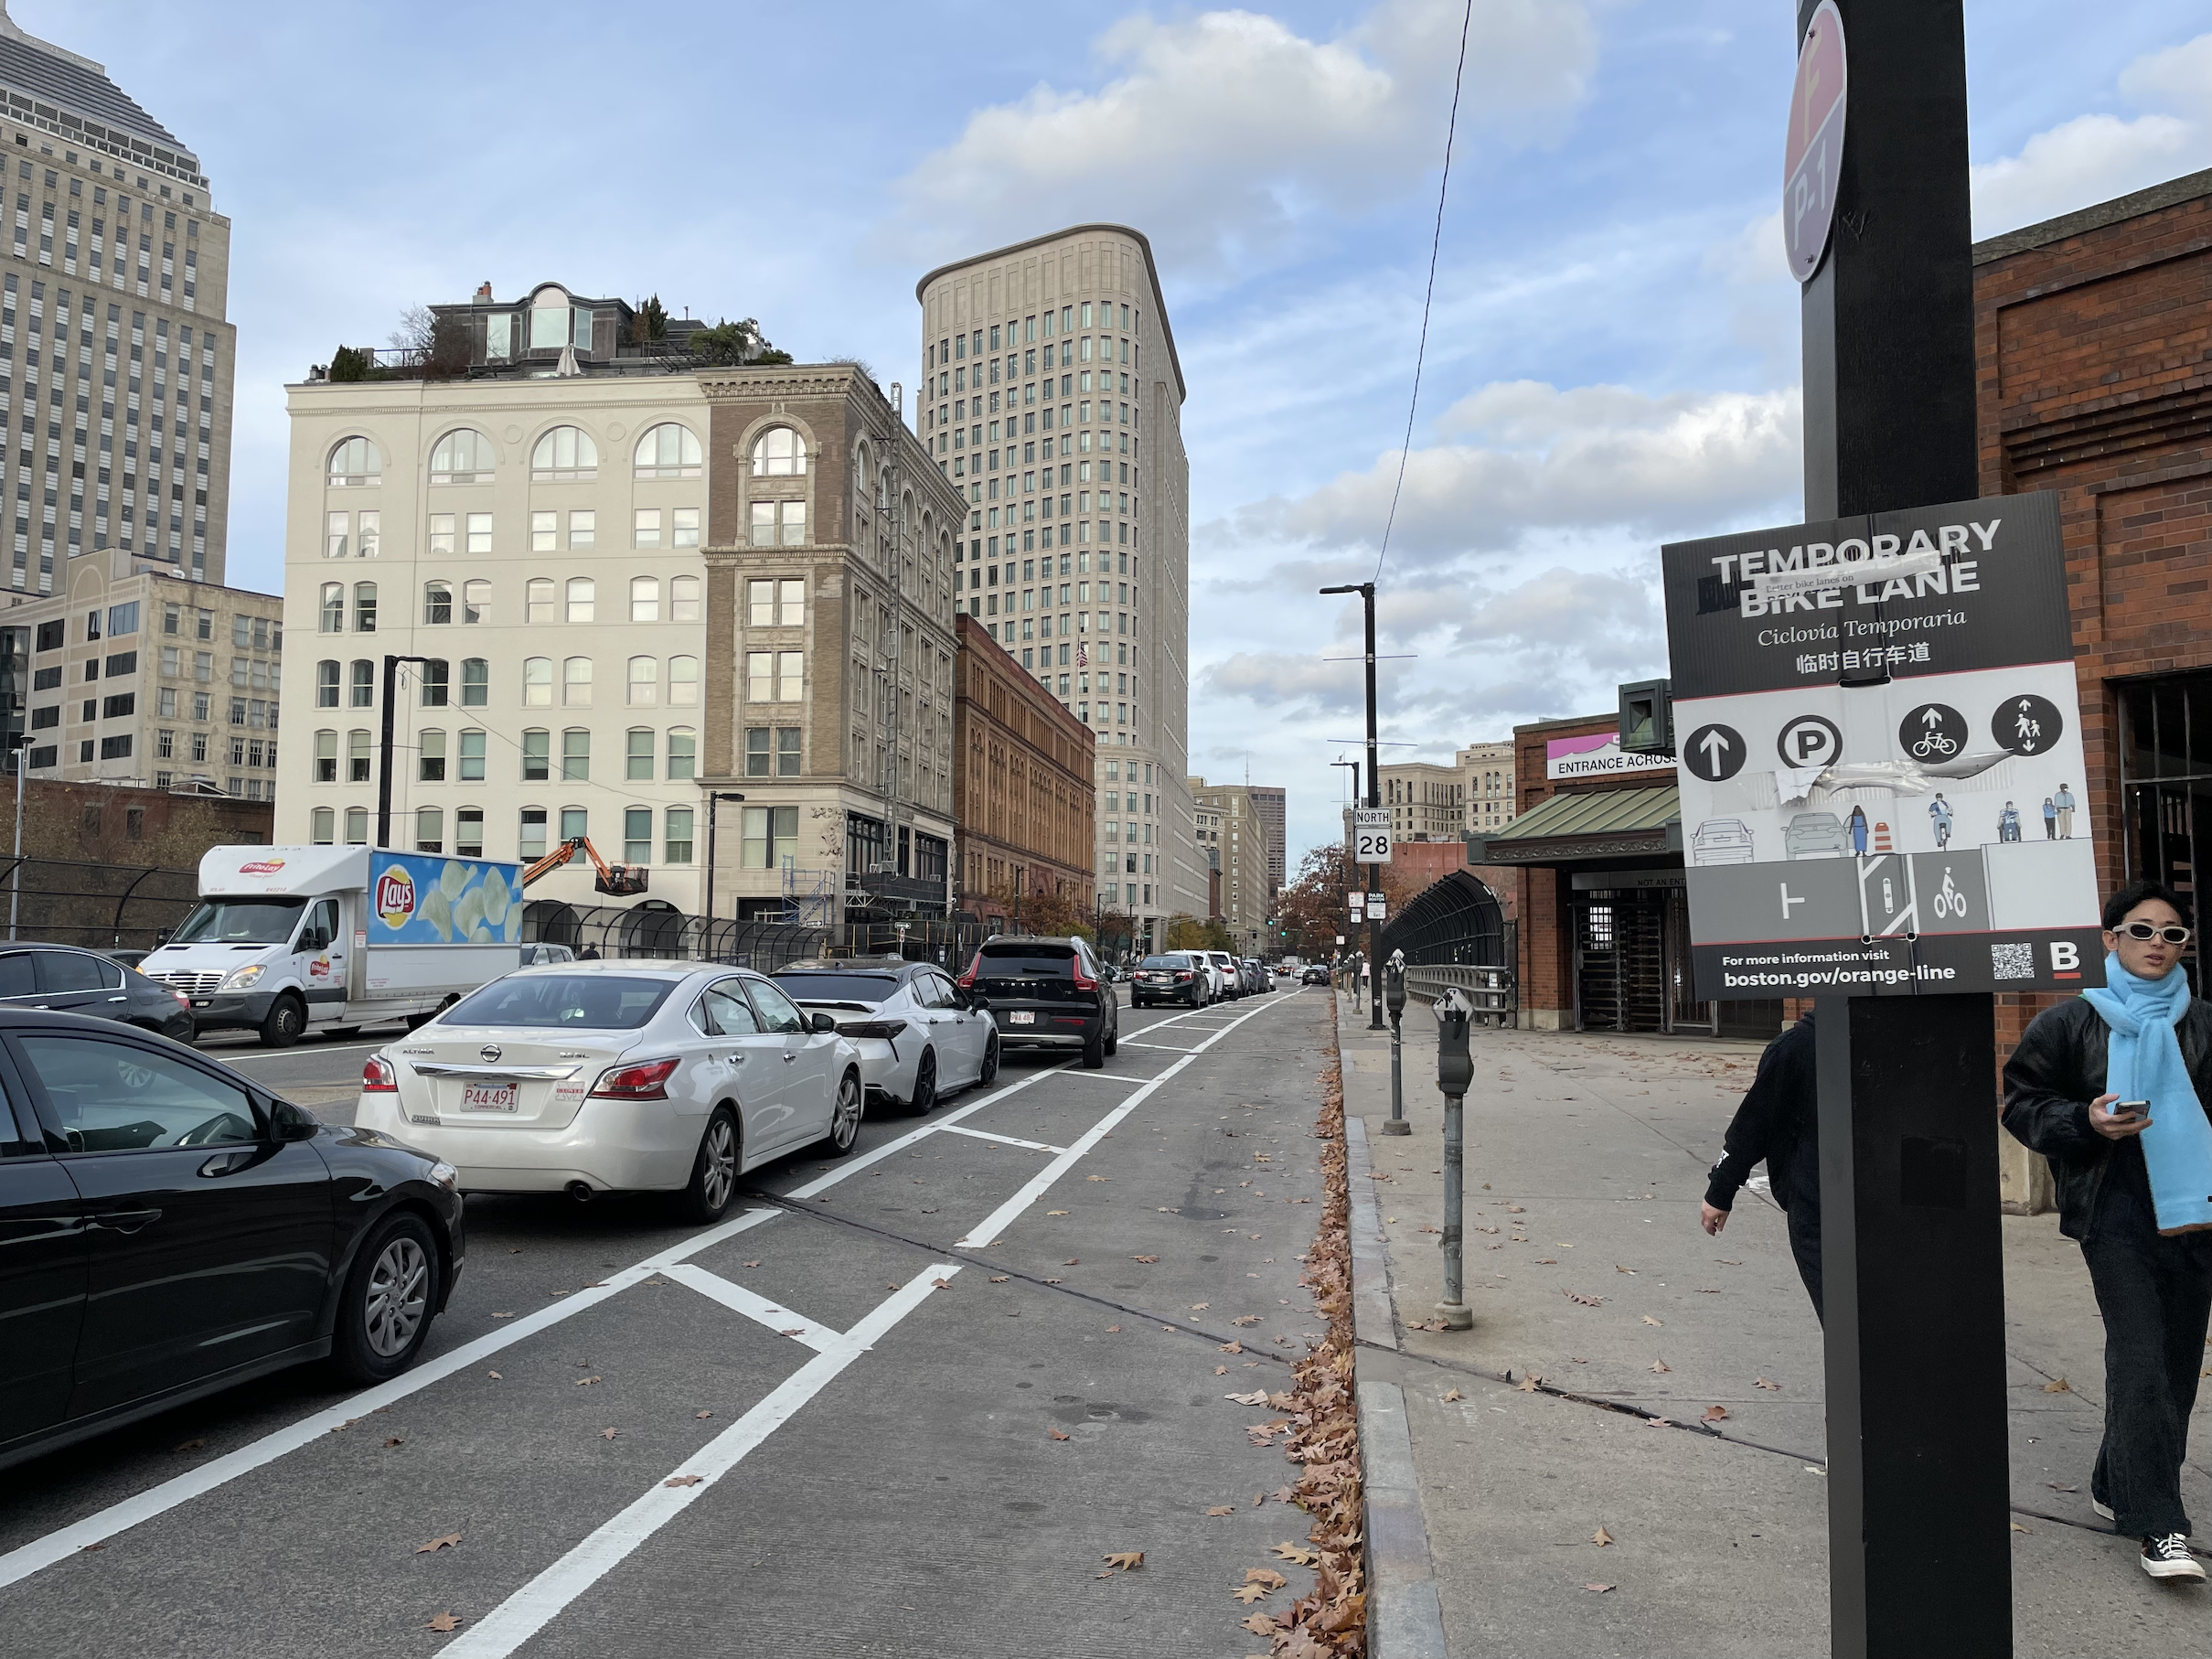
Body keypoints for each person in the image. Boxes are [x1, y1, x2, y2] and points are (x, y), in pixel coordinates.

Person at [2002, 880, 2212, 1582]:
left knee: (2175, 1370)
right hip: (2114, 1214)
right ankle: (2158, 1525)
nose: (2158, 943)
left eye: (2171, 933)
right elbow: (2021, 1102)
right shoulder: (2070, 1022)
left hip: (2195, 1215)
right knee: (2140, 1362)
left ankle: (2113, 1479)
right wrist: (2082, 1122)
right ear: (2109, 938)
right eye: (2142, 929)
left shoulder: (2203, 1022)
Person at [1701, 1011, 1822, 1321]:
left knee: (1847, 1327)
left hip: (1818, 1206)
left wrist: (1720, 1190)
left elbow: (1756, 1124)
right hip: (1886, 1201)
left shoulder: (1797, 1047)